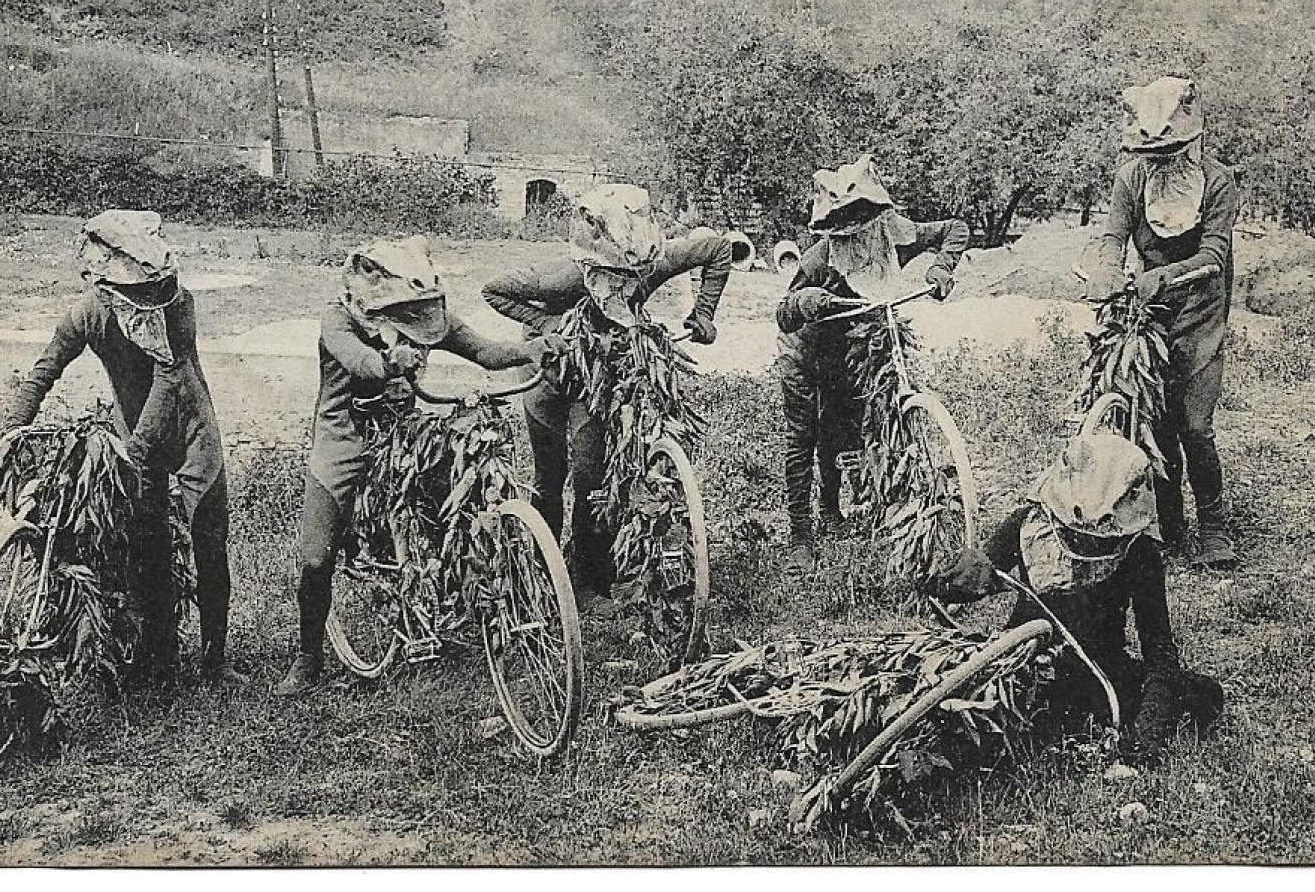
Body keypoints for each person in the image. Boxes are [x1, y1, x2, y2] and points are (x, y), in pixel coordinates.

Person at [275, 236, 566, 696]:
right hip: (344, 438)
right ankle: (308, 656)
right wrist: (390, 360)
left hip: (402, 428)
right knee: (316, 557)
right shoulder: (337, 320)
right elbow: (361, 362)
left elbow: (485, 352)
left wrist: (529, 350)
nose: (415, 324)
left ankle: (444, 601)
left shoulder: (426, 319)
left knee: (447, 506)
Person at [5, 210, 241, 687]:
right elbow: (44, 370)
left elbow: (167, 384)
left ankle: (216, 661)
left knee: (208, 539)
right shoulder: (87, 315)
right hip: (135, 434)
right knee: (146, 544)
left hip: (190, 429)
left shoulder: (179, 307)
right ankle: (161, 655)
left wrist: (133, 451)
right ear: (110, 290)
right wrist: (13, 428)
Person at [481, 183, 732, 607]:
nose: (623, 286)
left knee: (590, 476)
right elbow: (494, 290)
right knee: (549, 479)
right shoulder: (561, 279)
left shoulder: (652, 262)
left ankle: (587, 575)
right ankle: (545, 575)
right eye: (611, 279)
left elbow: (718, 250)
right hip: (548, 376)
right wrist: (545, 329)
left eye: (629, 279)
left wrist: (703, 313)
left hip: (598, 381)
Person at [924, 433, 1224, 760]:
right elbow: (973, 579)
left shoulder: (1140, 553)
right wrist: (955, 578)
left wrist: (1146, 733)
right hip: (1022, 662)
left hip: (1097, 669)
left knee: (1203, 693)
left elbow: (1159, 649)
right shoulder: (1029, 525)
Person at [773, 154, 968, 571]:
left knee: (844, 424)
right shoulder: (818, 259)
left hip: (854, 348)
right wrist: (806, 301)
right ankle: (801, 536)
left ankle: (838, 508)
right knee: (803, 435)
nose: (853, 232)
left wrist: (941, 268)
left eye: (860, 220)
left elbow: (955, 230)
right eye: (843, 225)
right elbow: (783, 314)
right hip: (805, 351)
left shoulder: (897, 235)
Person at [1084, 76, 1239, 570]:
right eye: (1155, 155)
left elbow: (1213, 254)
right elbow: (1113, 236)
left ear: (1192, 143)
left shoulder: (1217, 182)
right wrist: (1108, 267)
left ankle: (1213, 528)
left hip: (1200, 315)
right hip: (1149, 321)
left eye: (1172, 152)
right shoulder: (1131, 179)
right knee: (1158, 425)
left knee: (1195, 426)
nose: (1163, 162)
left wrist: (1165, 276)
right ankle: (1170, 522)